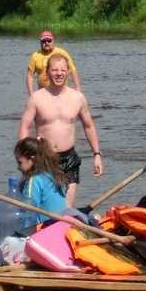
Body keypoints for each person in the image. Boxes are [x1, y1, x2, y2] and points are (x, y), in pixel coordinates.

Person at [17, 53, 102, 206]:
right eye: (55, 70)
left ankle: (64, 227)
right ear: (47, 72)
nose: (59, 74)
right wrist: (24, 155)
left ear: (68, 71)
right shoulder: (36, 98)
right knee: (45, 205)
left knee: (66, 208)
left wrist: (96, 154)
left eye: (63, 70)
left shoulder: (78, 98)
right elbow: (25, 126)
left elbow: (88, 125)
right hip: (44, 159)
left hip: (69, 159)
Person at [13, 137, 73, 229]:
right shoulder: (54, 175)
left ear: (32, 159)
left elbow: (27, 211)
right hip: (61, 226)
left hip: (44, 229)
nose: (18, 167)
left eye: (20, 163)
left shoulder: (34, 180)